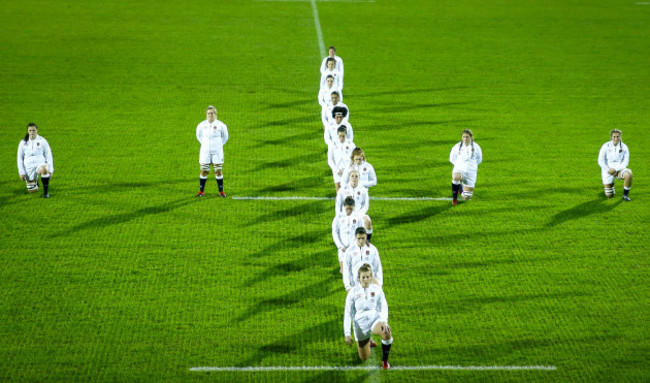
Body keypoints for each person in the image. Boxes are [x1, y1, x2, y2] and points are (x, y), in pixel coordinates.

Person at [344, 263, 393, 369]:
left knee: (386, 331)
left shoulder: (377, 290)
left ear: (371, 278)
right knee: (364, 357)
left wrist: (384, 321)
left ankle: (384, 361)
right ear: (359, 278)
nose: (365, 279)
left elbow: (383, 306)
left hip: (374, 319)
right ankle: (367, 340)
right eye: (363, 277)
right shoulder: (352, 293)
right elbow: (348, 313)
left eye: (368, 277)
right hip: (360, 324)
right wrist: (347, 333)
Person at [196, 106, 229, 197]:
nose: (210, 115)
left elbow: (225, 137)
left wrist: (218, 145)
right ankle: (201, 191)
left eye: (212, 113)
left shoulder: (221, 125)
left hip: (217, 152)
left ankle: (221, 191)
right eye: (209, 113)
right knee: (204, 171)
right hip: (205, 152)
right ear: (206, 114)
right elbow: (198, 136)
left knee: (218, 171)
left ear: (215, 114)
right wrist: (205, 145)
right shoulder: (201, 125)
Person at [17, 123, 54, 198]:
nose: (32, 132)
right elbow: (19, 158)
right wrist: (22, 172)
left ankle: (46, 193)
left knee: (44, 170)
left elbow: (48, 154)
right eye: (30, 130)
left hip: (39, 163)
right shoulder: (23, 142)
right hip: (28, 165)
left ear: (37, 130)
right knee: (33, 191)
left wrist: (50, 170)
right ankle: (35, 182)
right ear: (28, 131)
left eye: (33, 130)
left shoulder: (42, 141)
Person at [342, 227, 382, 292]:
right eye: (359, 238)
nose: (361, 241)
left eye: (363, 238)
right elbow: (346, 269)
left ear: (366, 237)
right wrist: (347, 286)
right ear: (355, 237)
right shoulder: (349, 251)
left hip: (370, 284)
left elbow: (378, 267)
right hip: (355, 285)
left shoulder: (372, 249)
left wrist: (379, 284)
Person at [449, 129, 482, 205]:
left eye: (467, 137)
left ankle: (459, 189)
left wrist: (471, 166)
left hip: (471, 172)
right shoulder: (457, 147)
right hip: (460, 169)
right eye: (463, 137)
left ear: (471, 137)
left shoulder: (476, 147)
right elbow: (452, 158)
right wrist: (458, 165)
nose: (465, 139)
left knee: (466, 197)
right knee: (455, 177)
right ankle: (454, 199)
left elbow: (479, 159)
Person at [598, 129, 633, 201]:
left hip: (619, 169)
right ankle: (611, 186)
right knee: (609, 195)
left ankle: (625, 196)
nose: (616, 138)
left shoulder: (624, 147)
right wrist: (608, 170)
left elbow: (625, 161)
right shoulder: (605, 146)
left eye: (618, 136)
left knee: (629, 175)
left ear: (620, 137)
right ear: (611, 137)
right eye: (614, 136)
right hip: (607, 170)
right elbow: (600, 161)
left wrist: (615, 169)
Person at [332, 197, 364, 273]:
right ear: (344, 206)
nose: (349, 211)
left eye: (351, 209)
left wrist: (355, 245)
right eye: (347, 209)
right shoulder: (338, 218)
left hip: (354, 247)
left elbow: (362, 233)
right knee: (344, 272)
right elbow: (334, 233)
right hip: (342, 248)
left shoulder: (358, 218)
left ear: (354, 206)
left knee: (355, 273)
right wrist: (340, 246)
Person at [328, 127, 356, 191]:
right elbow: (330, 160)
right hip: (337, 172)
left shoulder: (351, 145)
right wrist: (337, 170)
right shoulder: (332, 145)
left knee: (349, 194)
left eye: (343, 136)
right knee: (339, 194)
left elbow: (354, 160)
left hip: (348, 172)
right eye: (340, 136)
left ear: (346, 134)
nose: (341, 138)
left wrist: (346, 170)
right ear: (337, 135)